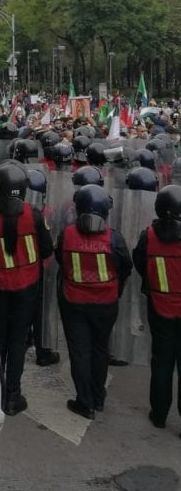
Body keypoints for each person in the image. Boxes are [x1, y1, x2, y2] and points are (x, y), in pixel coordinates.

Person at [0, 160, 53, 415]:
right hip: (27, 289)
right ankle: (12, 395)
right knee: (18, 342)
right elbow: (48, 250)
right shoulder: (35, 216)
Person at [56, 184, 132, 419]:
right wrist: (115, 289)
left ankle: (85, 402)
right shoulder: (114, 239)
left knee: (80, 353)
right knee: (100, 351)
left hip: (74, 303)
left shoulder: (66, 234)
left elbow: (61, 260)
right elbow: (125, 267)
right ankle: (98, 398)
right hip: (106, 304)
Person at [132, 183, 181, 430]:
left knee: (161, 362)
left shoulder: (148, 236)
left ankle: (159, 415)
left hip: (159, 307)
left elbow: (139, 262)